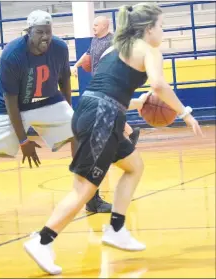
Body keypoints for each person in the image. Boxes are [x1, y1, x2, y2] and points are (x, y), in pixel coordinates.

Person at [23, 3, 203, 275]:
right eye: (161, 26)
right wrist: (185, 113)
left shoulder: (113, 48)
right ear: (148, 29)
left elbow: (106, 91)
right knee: (84, 188)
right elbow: (158, 85)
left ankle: (116, 228)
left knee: (134, 166)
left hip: (96, 111)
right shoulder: (150, 50)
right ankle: (42, 240)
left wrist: (137, 103)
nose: (163, 32)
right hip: (102, 118)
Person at [0, 10, 107, 223]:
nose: (45, 36)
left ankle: (91, 197)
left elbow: (65, 80)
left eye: (48, 31)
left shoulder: (60, 48)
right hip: (8, 106)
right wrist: (23, 140)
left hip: (48, 100)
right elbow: (11, 100)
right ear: (28, 32)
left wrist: (69, 115)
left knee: (80, 133)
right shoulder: (12, 55)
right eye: (39, 32)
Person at [72, 16, 141, 155]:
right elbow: (87, 54)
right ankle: (130, 133)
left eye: (96, 25)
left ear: (105, 26)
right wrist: (75, 65)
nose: (93, 27)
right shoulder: (94, 40)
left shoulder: (113, 40)